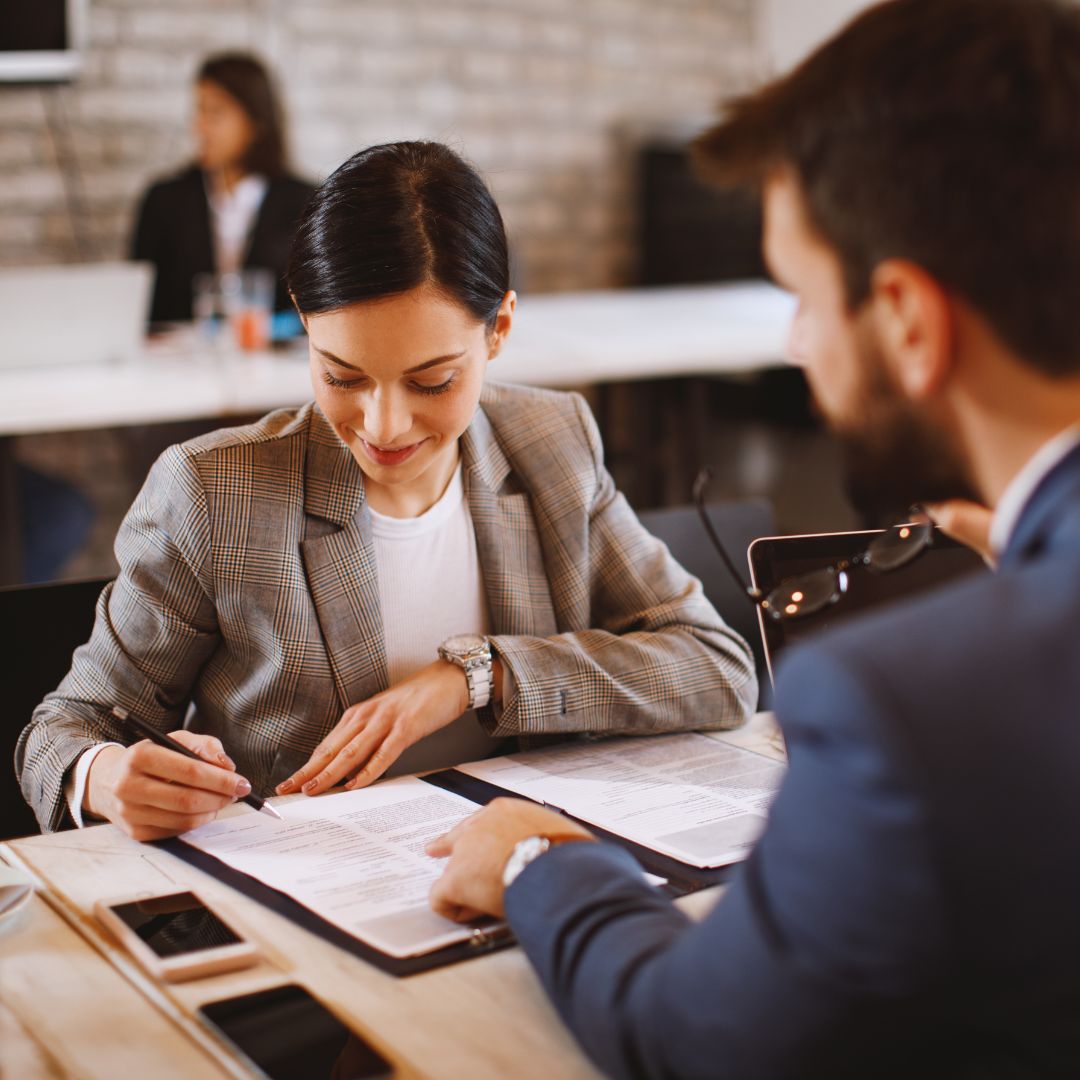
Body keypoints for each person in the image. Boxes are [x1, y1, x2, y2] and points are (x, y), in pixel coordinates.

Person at [426, 1, 1080, 1076]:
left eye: (804, 299)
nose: (796, 344)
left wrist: (542, 861)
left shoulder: (909, 709)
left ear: (910, 323)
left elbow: (690, 1040)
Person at [16, 141, 757, 838]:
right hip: (307, 899)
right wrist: (106, 778)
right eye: (342, 376)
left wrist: (481, 676)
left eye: (431, 380)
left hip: (515, 878)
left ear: (498, 329)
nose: (383, 424)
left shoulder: (552, 441)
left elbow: (718, 668)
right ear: (304, 320)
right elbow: (65, 731)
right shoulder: (217, 491)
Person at [132, 52, 315, 326]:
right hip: (178, 362)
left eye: (215, 113)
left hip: (273, 362)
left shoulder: (305, 202)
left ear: (255, 122)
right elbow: (140, 304)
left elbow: (320, 306)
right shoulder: (164, 200)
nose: (200, 126)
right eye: (199, 111)